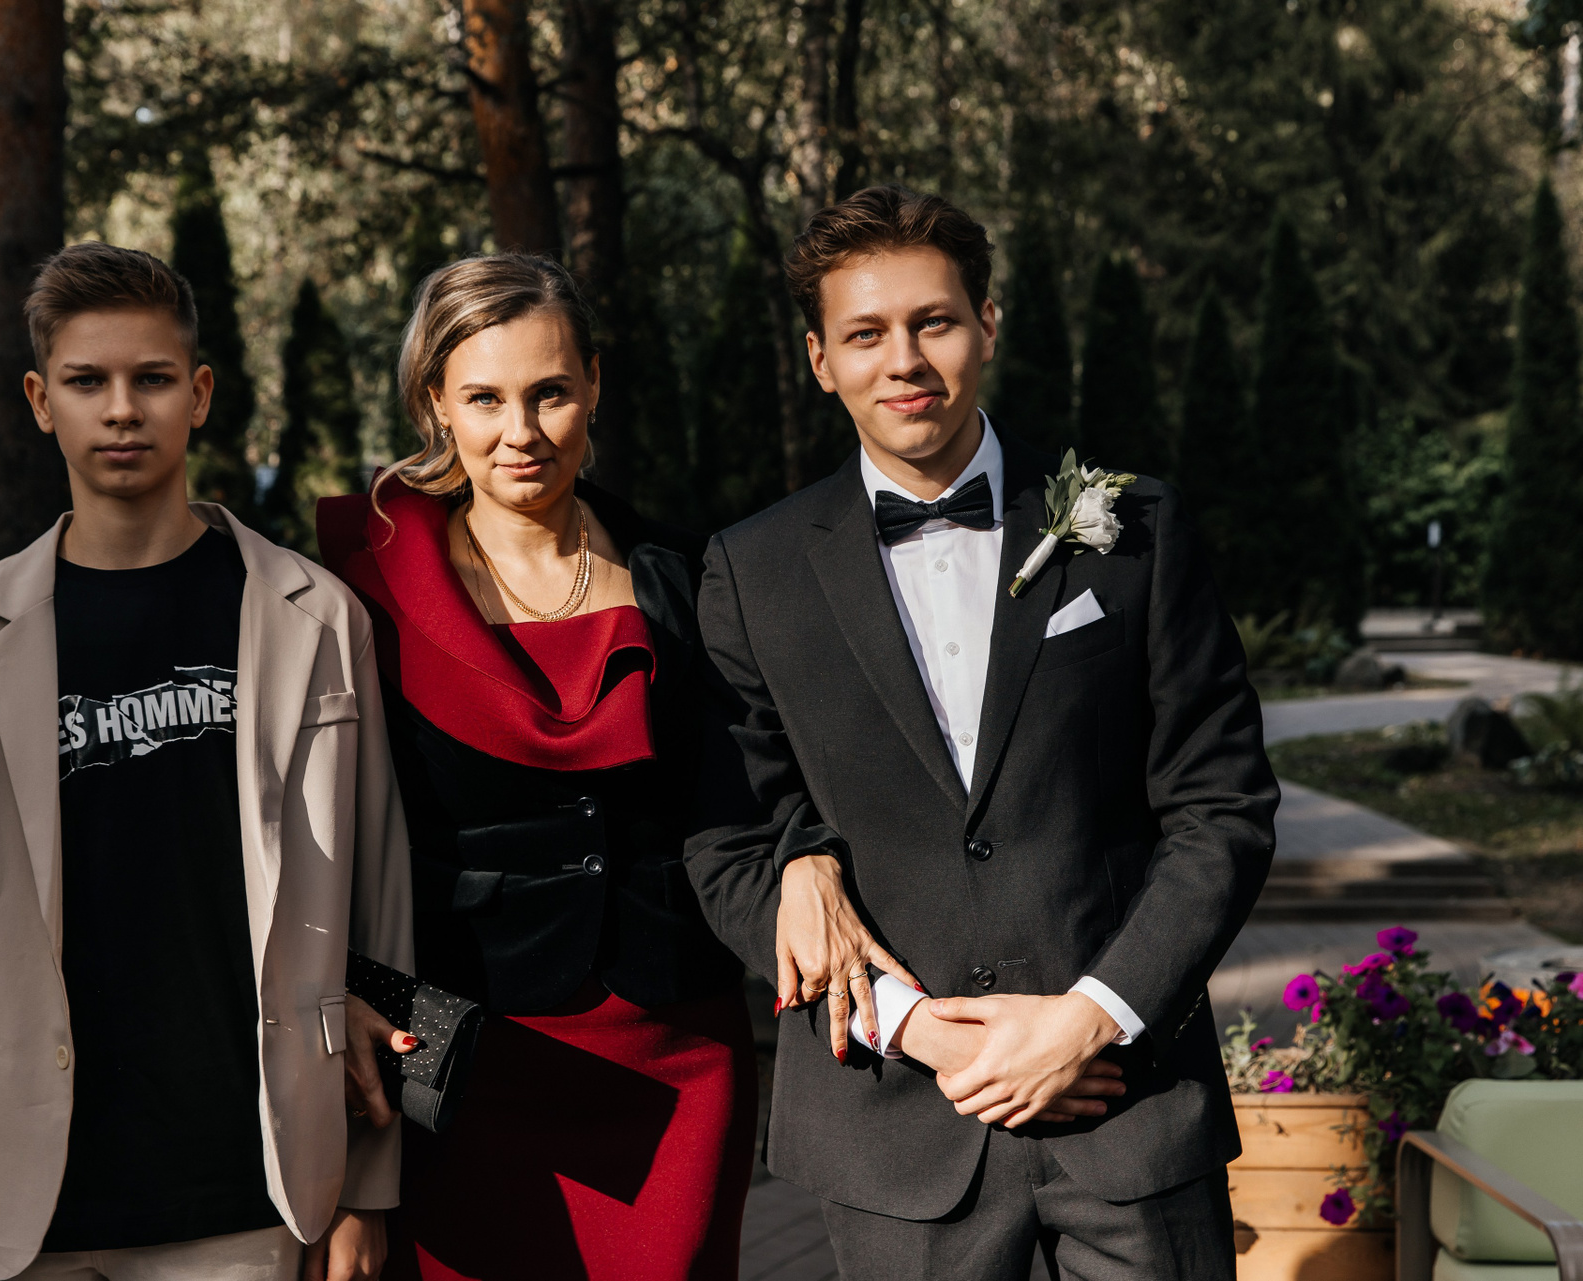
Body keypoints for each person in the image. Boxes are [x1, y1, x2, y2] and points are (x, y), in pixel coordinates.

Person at [685, 186, 1278, 1280]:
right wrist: (909, 1024)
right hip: (894, 1126)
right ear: (820, 359)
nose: (904, 360)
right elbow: (728, 840)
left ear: (988, 325)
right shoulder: (749, 570)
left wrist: (1092, 1017)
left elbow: (1223, 808)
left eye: (934, 322)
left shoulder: (1135, 530)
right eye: (866, 334)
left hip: (1129, 1108)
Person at [0, 241, 413, 1281]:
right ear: (39, 401)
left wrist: (365, 1185)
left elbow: (378, 909)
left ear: (199, 395)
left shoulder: (317, 620)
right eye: (86, 382)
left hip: (248, 1186)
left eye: (152, 379)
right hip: (15, 1200)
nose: (121, 410)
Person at [317, 253, 754, 1281]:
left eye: (550, 391)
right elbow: (314, 833)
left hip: (675, 1056)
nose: (521, 431)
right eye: (485, 398)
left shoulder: (688, 575)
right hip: (460, 1065)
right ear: (435, 402)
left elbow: (745, 796)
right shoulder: (358, 595)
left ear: (594, 383)